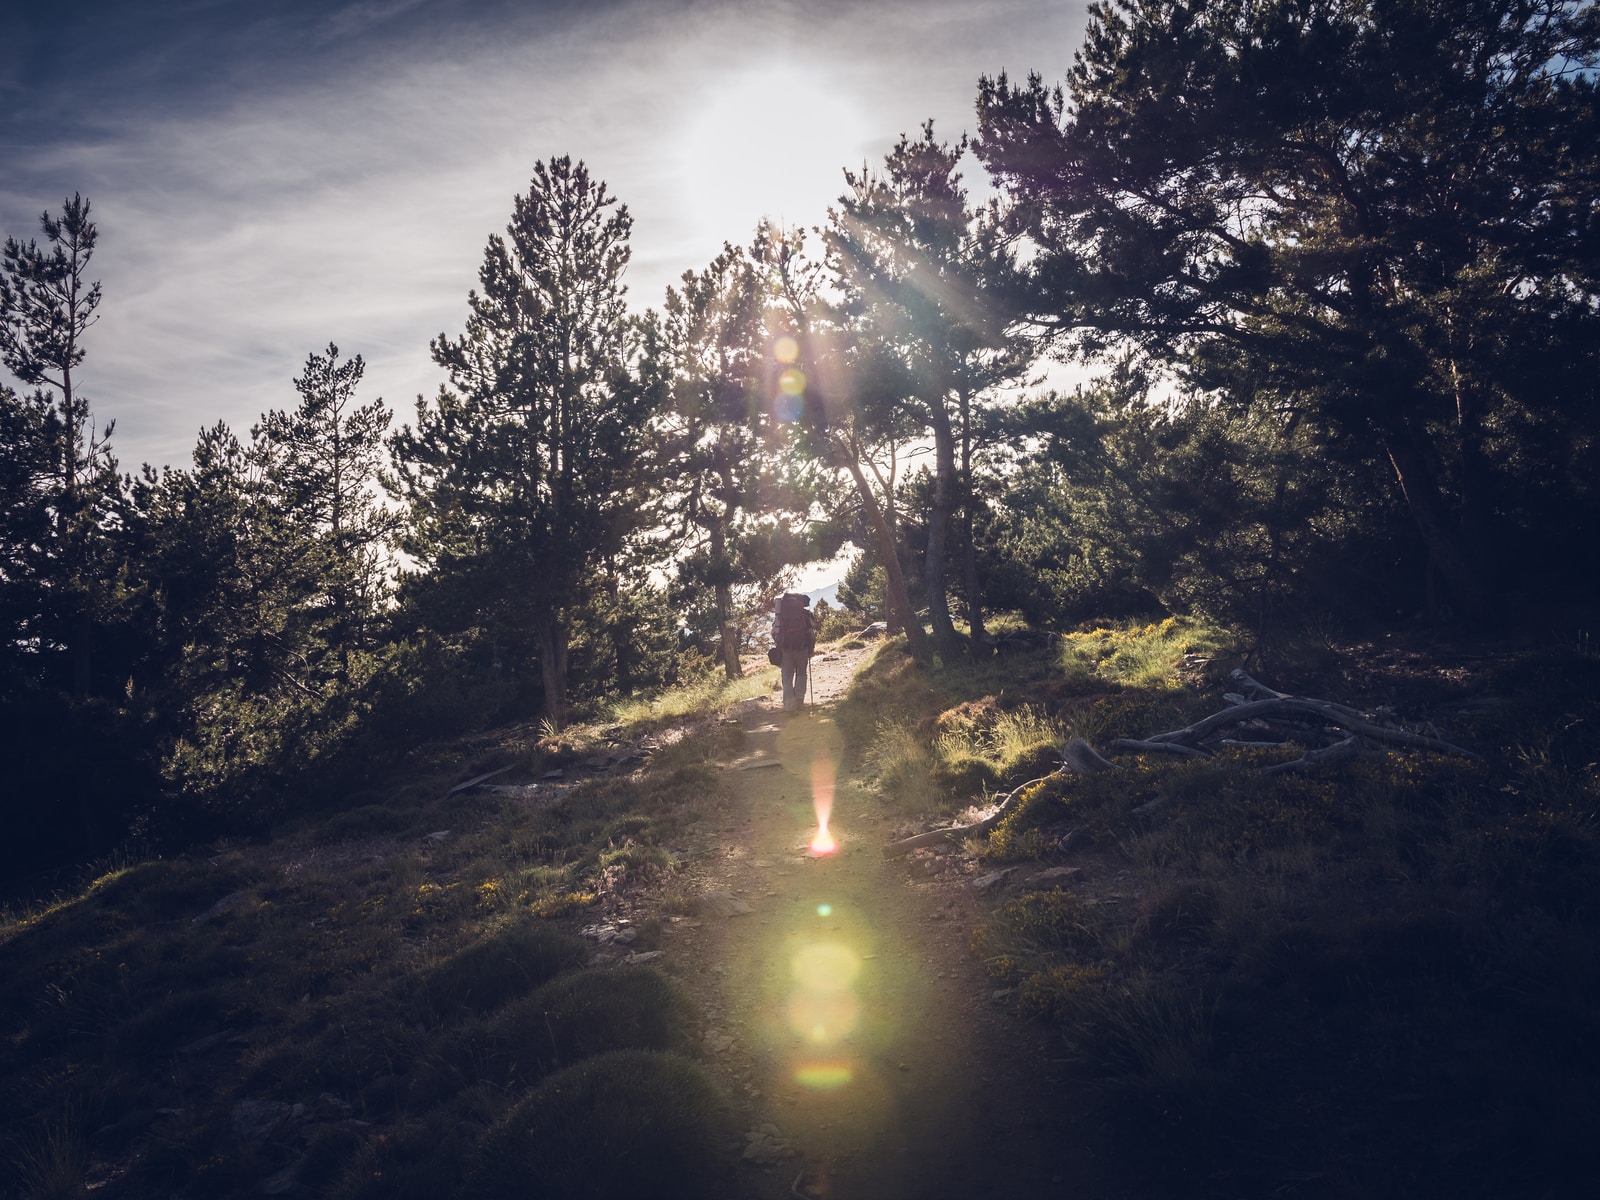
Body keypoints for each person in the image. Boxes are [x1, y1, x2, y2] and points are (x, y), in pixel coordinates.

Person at [770, 592, 817, 714]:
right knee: (801, 673)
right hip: (802, 648)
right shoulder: (804, 615)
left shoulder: (780, 616)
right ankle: (799, 699)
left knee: (787, 676)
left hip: (785, 649)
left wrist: (779, 645)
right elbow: (811, 633)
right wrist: (811, 648)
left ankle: (789, 704)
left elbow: (774, 632)